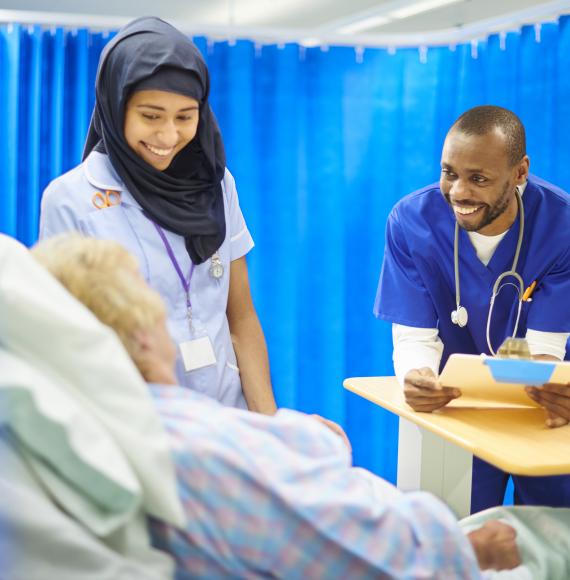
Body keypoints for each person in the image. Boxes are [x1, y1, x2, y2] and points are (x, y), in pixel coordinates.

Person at [31, 234, 521, 578]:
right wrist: (465, 548)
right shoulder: (189, 444)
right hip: (416, 542)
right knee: (539, 535)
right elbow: (345, 546)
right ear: (140, 335)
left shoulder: (67, 435)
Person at [39, 17, 276, 414]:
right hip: (134, 423)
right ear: (116, 108)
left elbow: (242, 319)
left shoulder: (216, 184)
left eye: (185, 117)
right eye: (151, 116)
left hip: (224, 418)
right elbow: (68, 341)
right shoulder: (72, 199)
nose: (168, 136)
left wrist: (271, 429)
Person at [374, 105, 570, 512]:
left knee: (553, 539)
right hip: (452, 409)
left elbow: (546, 352)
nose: (459, 192)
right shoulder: (412, 222)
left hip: (542, 407)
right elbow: (414, 334)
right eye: (449, 173)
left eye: (478, 178)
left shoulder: (560, 224)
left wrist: (548, 387)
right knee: (451, 541)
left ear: (520, 173)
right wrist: (417, 377)